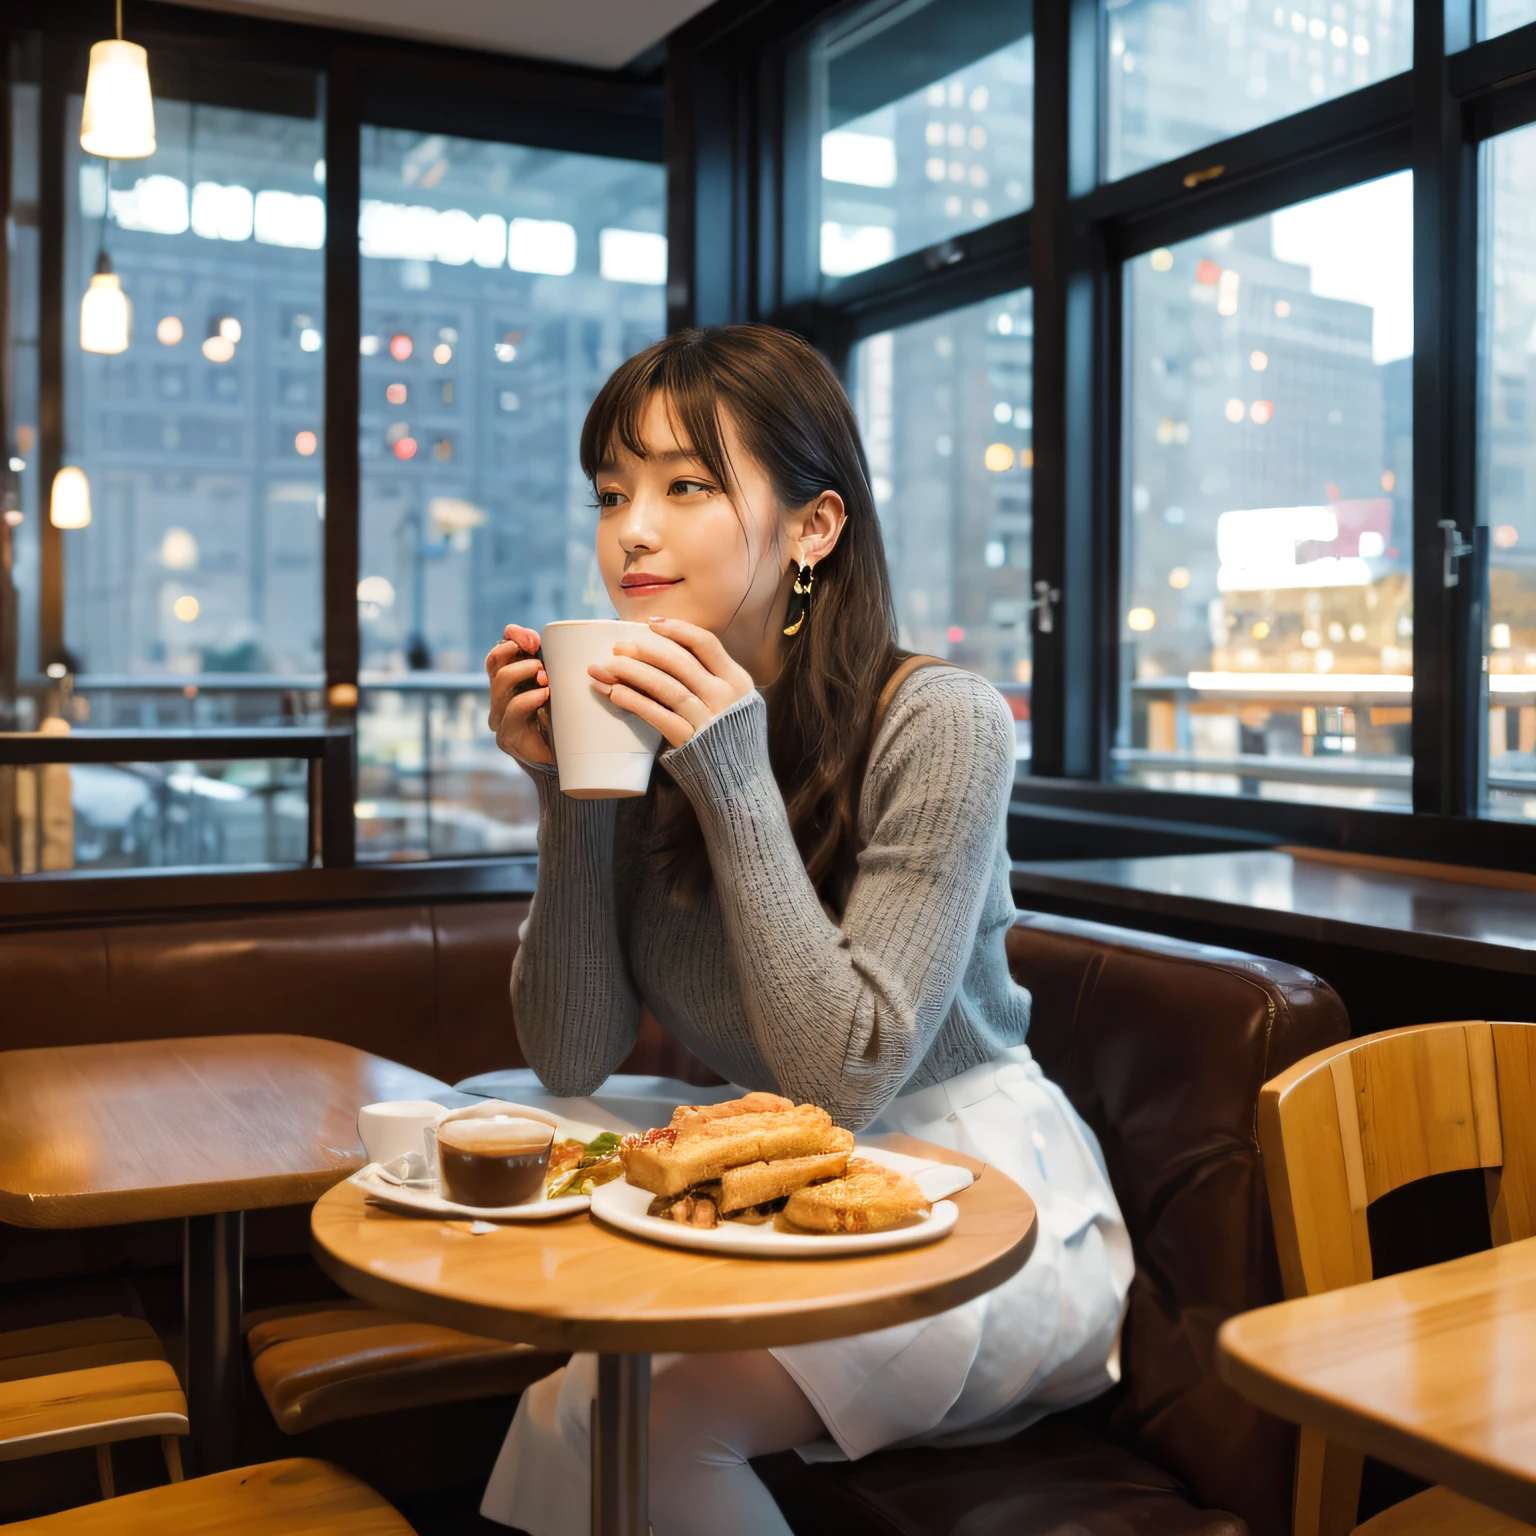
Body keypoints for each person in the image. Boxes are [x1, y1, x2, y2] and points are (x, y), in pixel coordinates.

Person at [480, 325, 1131, 1536]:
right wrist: (572, 790)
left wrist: (730, 775)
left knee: (650, 1424)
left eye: (686, 487)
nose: (631, 530)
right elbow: (569, 1054)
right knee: (569, 1402)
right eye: (612, 493)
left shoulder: (941, 720)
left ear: (815, 528)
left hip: (973, 1202)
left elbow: (851, 1072)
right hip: (780, 1181)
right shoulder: (643, 723)